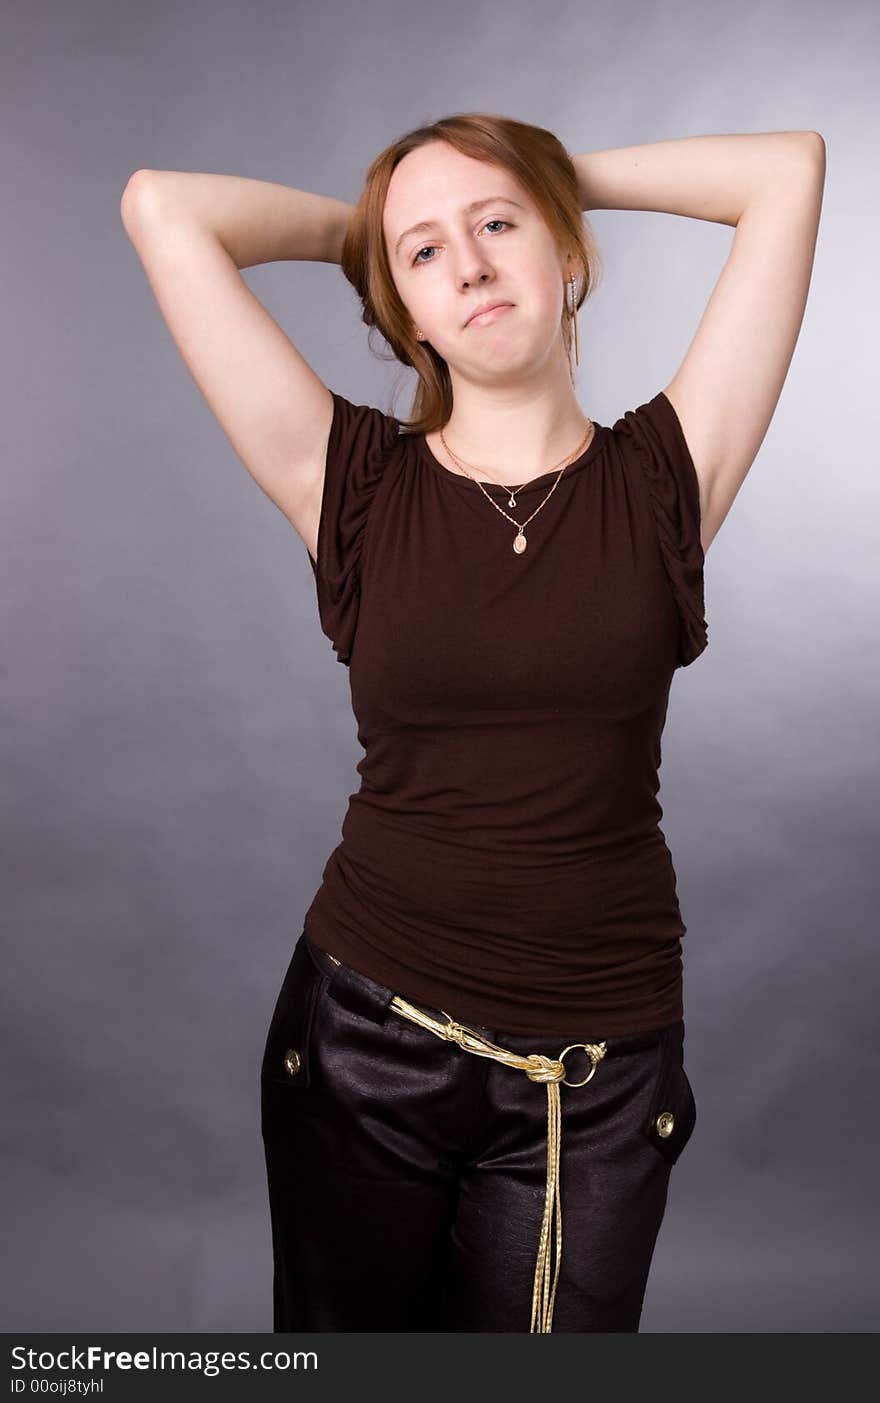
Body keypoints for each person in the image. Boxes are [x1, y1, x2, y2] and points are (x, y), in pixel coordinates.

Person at [120, 113, 826, 1331]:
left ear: (564, 255)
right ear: (402, 310)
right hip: (361, 1044)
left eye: (499, 226)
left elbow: (786, 173)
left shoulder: (665, 477)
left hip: (591, 1076)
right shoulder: (348, 481)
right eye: (424, 256)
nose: (472, 265)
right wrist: (381, 220)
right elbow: (161, 207)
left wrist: (542, 177)